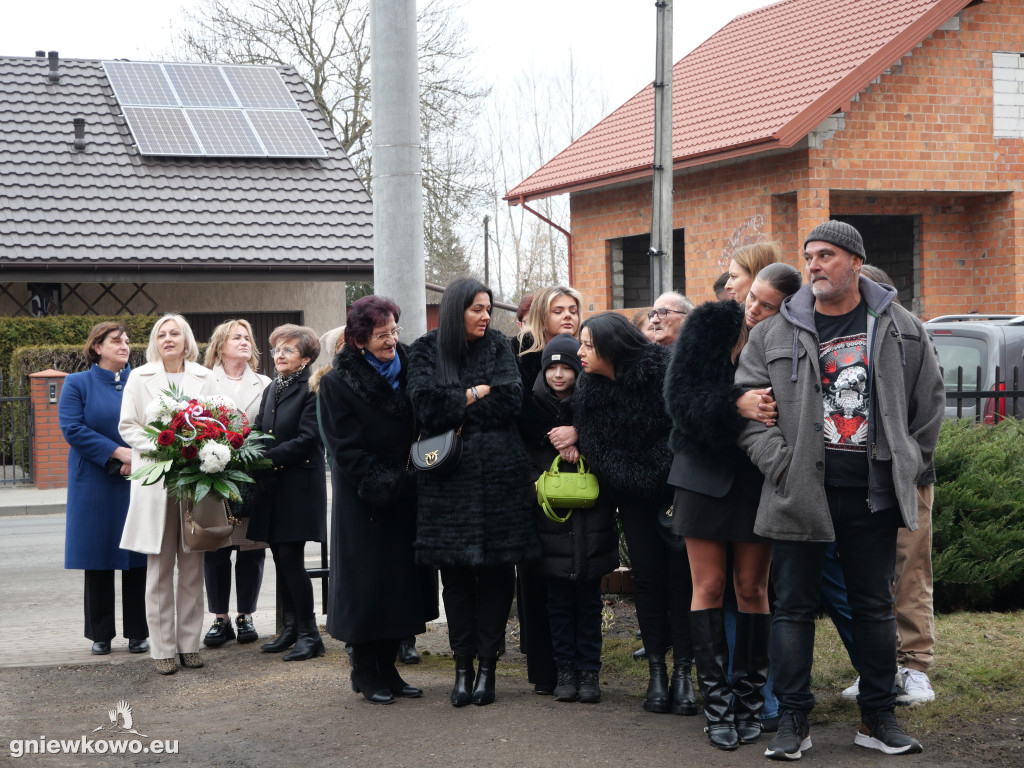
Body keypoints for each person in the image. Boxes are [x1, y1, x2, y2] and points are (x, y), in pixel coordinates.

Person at [736, 220, 944, 760]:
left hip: (872, 494)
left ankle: (878, 718)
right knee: (792, 608)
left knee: (874, 607)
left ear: (854, 261)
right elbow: (748, 410)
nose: (814, 265)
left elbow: (929, 405)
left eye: (826, 255)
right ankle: (793, 721)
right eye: (809, 256)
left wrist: (908, 462)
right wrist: (780, 465)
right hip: (799, 491)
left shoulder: (900, 327)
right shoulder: (774, 332)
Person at [665, 260, 802, 750]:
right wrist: (734, 403)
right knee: (709, 585)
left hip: (757, 478)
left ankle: (748, 703)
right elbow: (678, 398)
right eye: (751, 298)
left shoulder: (794, 339)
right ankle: (717, 707)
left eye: (767, 305)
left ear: (786, 309)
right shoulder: (710, 322)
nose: (753, 309)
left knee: (752, 588)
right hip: (702, 475)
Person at [407, 277, 540, 707]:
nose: (486, 316)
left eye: (488, 309)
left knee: (499, 577)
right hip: (447, 485)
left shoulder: (499, 345)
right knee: (457, 581)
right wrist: (477, 392)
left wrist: (459, 401)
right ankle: (462, 668)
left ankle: (488, 669)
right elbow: (426, 406)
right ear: (456, 310)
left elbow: (510, 401)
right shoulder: (426, 349)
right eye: (477, 309)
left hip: (501, 481)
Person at [568, 312, 693, 716]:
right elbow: (596, 445)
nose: (580, 352)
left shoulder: (663, 369)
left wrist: (655, 473)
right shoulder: (588, 388)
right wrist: (635, 478)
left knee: (683, 581)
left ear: (612, 348)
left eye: (588, 345)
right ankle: (657, 672)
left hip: (678, 490)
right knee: (648, 579)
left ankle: (684, 674)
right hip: (633, 497)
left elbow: (680, 427)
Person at [318, 296, 438, 704]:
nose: (391, 340)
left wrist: (419, 473)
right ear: (358, 340)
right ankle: (365, 671)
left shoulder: (411, 369)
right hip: (366, 500)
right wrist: (389, 483)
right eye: (381, 334)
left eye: (394, 331)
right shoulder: (337, 383)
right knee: (368, 588)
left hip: (410, 491)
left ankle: (389, 668)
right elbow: (345, 450)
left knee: (400, 588)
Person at [840, 264, 937, 705]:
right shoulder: (841, 338)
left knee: (910, 570)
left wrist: (911, 461)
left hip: (907, 478)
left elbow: (930, 403)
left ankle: (915, 666)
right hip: (859, 482)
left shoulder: (909, 333)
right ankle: (878, 670)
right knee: (869, 580)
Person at [518, 334, 617, 704]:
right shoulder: (529, 412)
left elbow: (612, 450)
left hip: (592, 523)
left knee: (589, 603)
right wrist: (539, 486)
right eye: (552, 367)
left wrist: (582, 441)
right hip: (550, 523)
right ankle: (564, 671)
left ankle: (590, 672)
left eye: (566, 367)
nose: (558, 374)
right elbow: (522, 461)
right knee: (557, 604)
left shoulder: (595, 407)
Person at [119, 314, 220, 675]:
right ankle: (162, 648)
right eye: (161, 334)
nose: (168, 338)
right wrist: (164, 445)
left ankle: (189, 645)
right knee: (159, 568)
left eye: (174, 332)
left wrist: (195, 444)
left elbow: (216, 420)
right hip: (155, 480)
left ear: (186, 339)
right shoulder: (139, 377)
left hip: (193, 478)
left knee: (192, 567)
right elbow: (128, 426)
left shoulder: (205, 377)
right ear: (155, 342)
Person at [59, 322, 148, 656]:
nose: (124, 346)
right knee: (98, 557)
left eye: (127, 341)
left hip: (137, 477)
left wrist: (136, 456)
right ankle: (100, 634)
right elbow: (73, 428)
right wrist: (117, 452)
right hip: (94, 481)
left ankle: (139, 632)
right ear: (97, 347)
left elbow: (153, 424)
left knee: (138, 555)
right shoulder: (77, 383)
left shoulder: (140, 382)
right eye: (116, 341)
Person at [512, 284, 584, 696]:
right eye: (558, 310)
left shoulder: (588, 353)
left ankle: (579, 665)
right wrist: (557, 437)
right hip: (535, 474)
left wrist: (578, 434)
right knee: (537, 576)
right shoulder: (523, 356)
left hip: (581, 478)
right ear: (542, 315)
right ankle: (544, 669)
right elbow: (519, 411)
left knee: (578, 580)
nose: (567, 316)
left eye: (573, 309)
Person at [248, 325, 327, 662]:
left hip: (298, 485)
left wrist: (265, 461)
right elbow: (259, 427)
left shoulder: (313, 387)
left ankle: (311, 635)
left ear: (305, 359)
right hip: (273, 484)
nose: (279, 355)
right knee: (281, 559)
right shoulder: (274, 386)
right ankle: (292, 628)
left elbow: (308, 438)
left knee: (291, 560)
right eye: (276, 349)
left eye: (287, 350)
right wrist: (250, 454)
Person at [201, 320, 272, 649]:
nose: (244, 342)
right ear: (220, 345)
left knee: (251, 550)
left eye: (247, 338)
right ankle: (220, 618)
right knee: (216, 550)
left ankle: (246, 616)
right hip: (215, 477)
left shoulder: (265, 383)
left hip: (252, 477)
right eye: (236, 338)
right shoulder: (204, 381)